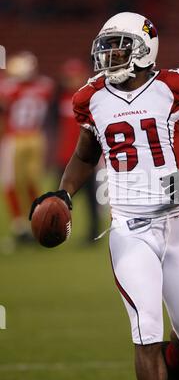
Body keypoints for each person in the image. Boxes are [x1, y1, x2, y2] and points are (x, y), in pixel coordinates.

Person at [29, 12, 179, 380]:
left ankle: (178, 361)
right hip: (129, 229)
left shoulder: (174, 87)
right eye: (105, 47)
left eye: (118, 46)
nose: (109, 55)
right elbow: (84, 156)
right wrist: (64, 195)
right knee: (146, 331)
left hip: (177, 223)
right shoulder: (92, 97)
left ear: (144, 47)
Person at [0, 51, 53, 243]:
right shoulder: (45, 86)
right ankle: (35, 222)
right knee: (32, 182)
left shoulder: (9, 87)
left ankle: (20, 225)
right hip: (36, 137)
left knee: (11, 182)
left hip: (16, 137)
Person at [48, 58, 101, 243]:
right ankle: (53, 231)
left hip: (85, 158)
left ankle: (94, 233)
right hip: (64, 157)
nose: (71, 79)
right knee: (58, 200)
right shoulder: (59, 98)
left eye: (74, 75)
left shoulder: (89, 99)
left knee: (90, 200)